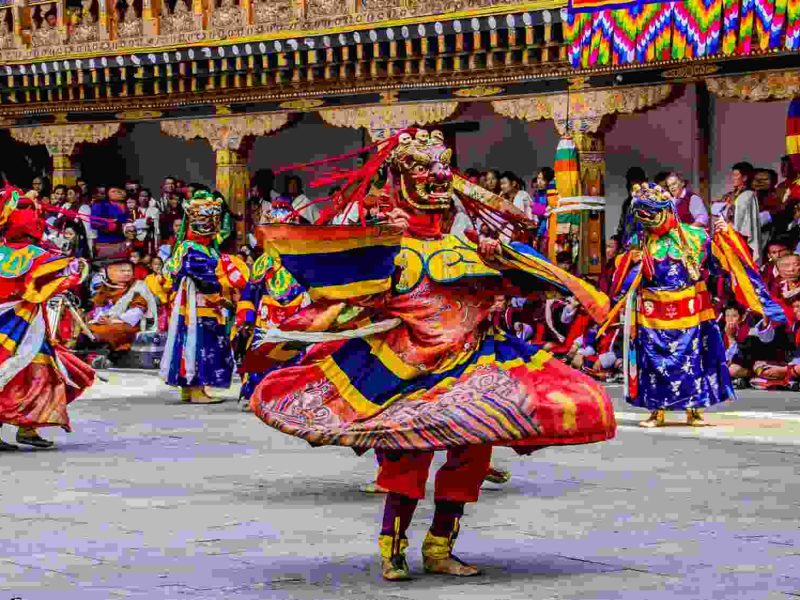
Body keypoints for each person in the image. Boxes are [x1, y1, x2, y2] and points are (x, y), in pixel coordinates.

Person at [247, 128, 615, 581]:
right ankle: (393, 549)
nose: (437, 175)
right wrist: (279, 337)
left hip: (473, 365)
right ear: (400, 178)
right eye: (423, 167)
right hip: (406, 368)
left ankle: (440, 546)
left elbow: (525, 290)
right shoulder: (387, 251)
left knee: (473, 454)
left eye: (442, 166)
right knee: (409, 458)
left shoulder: (467, 246)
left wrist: (502, 263)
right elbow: (337, 308)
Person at [605, 182, 785, 428]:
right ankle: (656, 411)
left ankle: (694, 410)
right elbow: (624, 282)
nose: (649, 221)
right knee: (654, 363)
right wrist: (631, 264)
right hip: (652, 313)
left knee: (692, 360)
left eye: (653, 213)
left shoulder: (696, 236)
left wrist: (726, 236)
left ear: (667, 210)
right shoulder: (640, 241)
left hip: (690, 310)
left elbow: (719, 267)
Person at [0, 187, 95, 450]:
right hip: (26, 324)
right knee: (31, 374)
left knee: (16, 373)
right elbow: (58, 277)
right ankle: (27, 427)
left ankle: (28, 427)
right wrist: (77, 266)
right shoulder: (33, 255)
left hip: (12, 325)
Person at [160, 191, 249, 404]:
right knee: (199, 342)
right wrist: (219, 296)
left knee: (192, 341)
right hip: (199, 303)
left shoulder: (199, 248)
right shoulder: (192, 248)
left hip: (198, 303)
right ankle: (196, 389)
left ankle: (189, 389)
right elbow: (203, 277)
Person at [87, 255, 157, 363]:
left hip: (131, 323)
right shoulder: (106, 287)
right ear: (109, 272)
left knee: (108, 330)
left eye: (129, 270)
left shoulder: (138, 287)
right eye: (122, 271)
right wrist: (101, 317)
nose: (127, 273)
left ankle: (114, 355)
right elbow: (99, 306)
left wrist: (112, 320)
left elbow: (136, 313)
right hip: (108, 320)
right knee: (87, 328)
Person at [713, 162, 761, 263]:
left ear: (744, 178)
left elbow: (741, 222)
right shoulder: (732, 195)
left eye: (736, 175)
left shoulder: (747, 195)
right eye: (733, 175)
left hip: (738, 237)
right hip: (727, 234)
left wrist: (730, 228)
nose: (733, 178)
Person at [616, 167, 647, 242]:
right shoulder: (627, 203)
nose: (633, 186)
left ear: (644, 182)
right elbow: (622, 229)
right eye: (630, 183)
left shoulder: (651, 201)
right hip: (629, 245)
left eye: (636, 182)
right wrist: (615, 240)